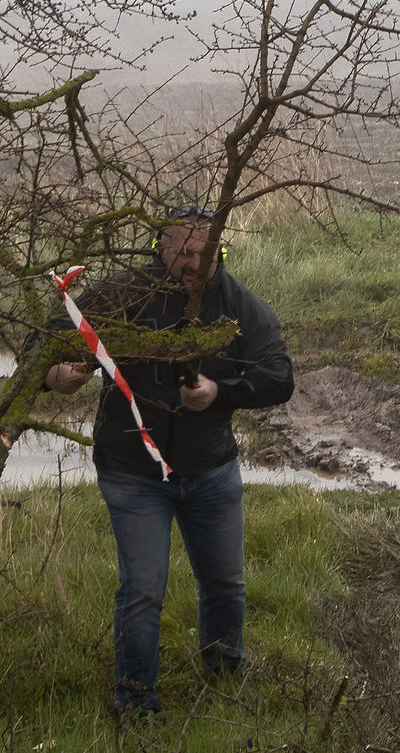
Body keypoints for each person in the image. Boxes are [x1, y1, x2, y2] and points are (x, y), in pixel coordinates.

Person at [44, 209, 294, 716]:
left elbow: (281, 378)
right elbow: (46, 339)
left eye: (207, 253)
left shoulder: (239, 304)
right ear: (159, 248)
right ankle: (135, 702)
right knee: (142, 590)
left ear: (221, 249)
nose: (195, 263)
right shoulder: (121, 295)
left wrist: (220, 392)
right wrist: (57, 373)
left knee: (226, 583)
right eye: (184, 252)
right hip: (132, 470)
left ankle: (224, 675)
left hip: (210, 469)